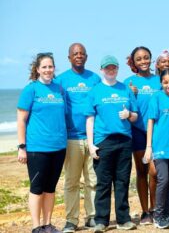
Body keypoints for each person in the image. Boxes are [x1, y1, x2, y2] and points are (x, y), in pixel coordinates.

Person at [85, 55, 138, 232]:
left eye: (113, 67)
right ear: (102, 70)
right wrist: (91, 145)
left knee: (122, 182)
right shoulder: (95, 91)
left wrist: (129, 114)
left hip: (124, 140)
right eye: (107, 68)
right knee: (103, 182)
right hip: (103, 142)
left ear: (117, 69)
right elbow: (90, 119)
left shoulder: (126, 89)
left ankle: (123, 219)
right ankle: (101, 220)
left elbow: (136, 115)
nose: (111, 70)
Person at [17, 52, 67, 233]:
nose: (48, 70)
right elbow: (21, 120)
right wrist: (22, 147)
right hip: (37, 148)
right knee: (37, 188)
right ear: (37, 69)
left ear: (54, 69)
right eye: (44, 67)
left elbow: (63, 115)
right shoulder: (31, 89)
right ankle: (36, 226)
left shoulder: (59, 89)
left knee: (50, 188)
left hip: (59, 147)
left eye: (50, 66)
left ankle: (47, 224)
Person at [56, 43, 100, 233]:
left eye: (82, 53)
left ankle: (92, 217)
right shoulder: (61, 80)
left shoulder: (95, 79)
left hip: (93, 138)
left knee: (92, 180)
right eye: (75, 54)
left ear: (86, 56)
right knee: (72, 181)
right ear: (69, 57)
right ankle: (71, 220)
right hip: (71, 138)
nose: (79, 56)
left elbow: (101, 105)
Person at [123, 46, 159, 225]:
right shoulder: (128, 83)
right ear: (134, 62)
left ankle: (155, 208)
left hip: (157, 132)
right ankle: (145, 212)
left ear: (151, 59)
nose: (143, 61)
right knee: (141, 171)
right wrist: (132, 94)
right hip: (137, 131)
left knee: (154, 171)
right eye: (139, 59)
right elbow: (124, 108)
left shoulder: (159, 80)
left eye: (146, 58)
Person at [144, 69, 169, 229]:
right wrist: (149, 147)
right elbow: (150, 122)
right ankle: (158, 215)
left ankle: (167, 214)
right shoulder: (156, 97)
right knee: (164, 179)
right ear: (161, 83)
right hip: (160, 146)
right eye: (166, 82)